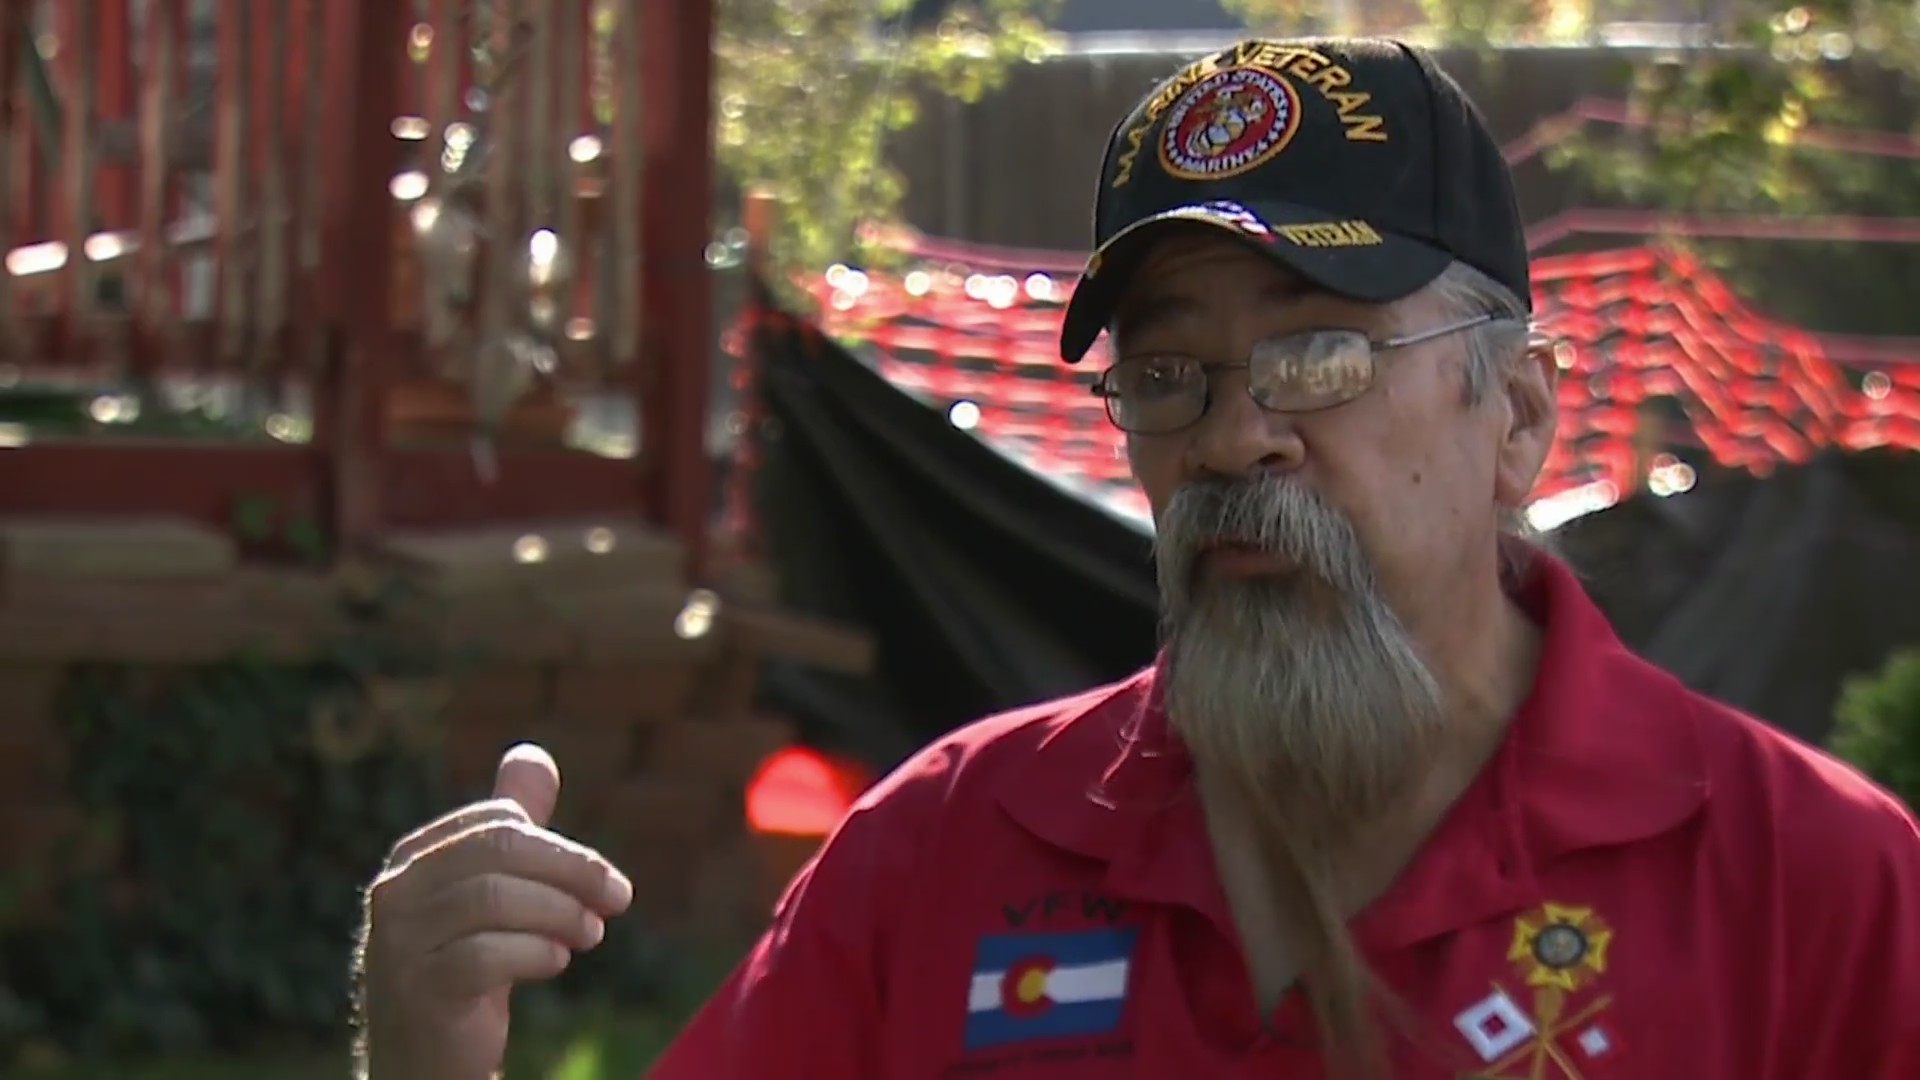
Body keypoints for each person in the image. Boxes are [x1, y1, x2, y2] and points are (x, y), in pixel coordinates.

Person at [354, 36, 1920, 1080]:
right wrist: (429, 1054)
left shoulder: (1813, 887)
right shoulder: (950, 852)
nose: (1238, 438)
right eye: (1173, 376)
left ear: (1514, 414)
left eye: (1318, 358)